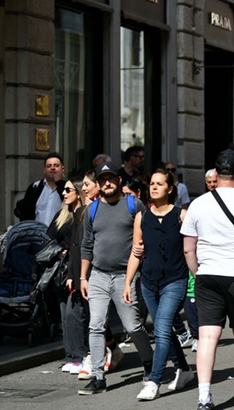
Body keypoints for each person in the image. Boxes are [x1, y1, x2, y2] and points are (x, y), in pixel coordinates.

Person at [181, 150, 234, 409]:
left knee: (207, 338)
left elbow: (188, 248)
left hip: (207, 274)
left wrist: (198, 273)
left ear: (215, 174)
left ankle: (204, 396)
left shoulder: (198, 204)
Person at [78, 161, 153, 395]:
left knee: (133, 326)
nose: (107, 183)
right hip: (98, 275)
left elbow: (146, 237)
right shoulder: (92, 210)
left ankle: (150, 362)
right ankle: (98, 377)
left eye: (111, 178)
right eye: (103, 179)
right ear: (98, 184)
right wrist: (83, 277)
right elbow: (87, 245)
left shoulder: (133, 204)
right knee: (96, 326)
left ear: (119, 180)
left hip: (125, 277)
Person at [124, 169, 194, 400]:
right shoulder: (142, 217)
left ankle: (154, 381)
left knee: (162, 329)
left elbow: (192, 249)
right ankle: (184, 369)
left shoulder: (182, 215)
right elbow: (136, 252)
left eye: (159, 184)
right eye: (152, 183)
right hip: (148, 283)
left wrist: (198, 277)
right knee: (164, 330)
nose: (154, 187)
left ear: (170, 188)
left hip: (174, 281)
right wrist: (128, 282)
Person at [48, 177, 86, 374]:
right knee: (65, 315)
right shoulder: (62, 214)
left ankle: (79, 356)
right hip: (62, 272)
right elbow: (49, 238)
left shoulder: (84, 214)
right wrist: (57, 251)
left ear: (78, 193)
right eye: (64, 190)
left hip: (78, 270)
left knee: (74, 314)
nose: (63, 193)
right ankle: (70, 356)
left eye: (68, 190)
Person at [15, 152, 66, 225]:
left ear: (63, 169)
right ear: (44, 170)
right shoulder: (34, 187)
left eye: (56, 165)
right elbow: (26, 215)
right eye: (49, 166)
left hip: (59, 232)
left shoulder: (68, 189)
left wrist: (59, 182)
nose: (52, 168)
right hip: (37, 231)